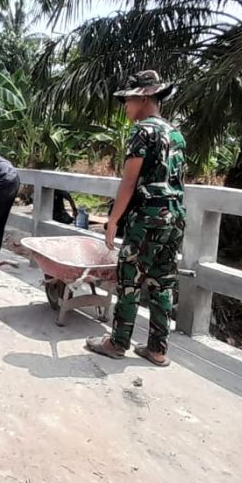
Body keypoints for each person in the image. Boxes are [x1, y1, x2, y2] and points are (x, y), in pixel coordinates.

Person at [85, 71, 186, 367]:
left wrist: (113, 220)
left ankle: (117, 343)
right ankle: (157, 348)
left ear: (143, 98)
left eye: (127, 101)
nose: (125, 107)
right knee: (163, 282)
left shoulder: (143, 131)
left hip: (147, 217)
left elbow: (128, 182)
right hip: (175, 217)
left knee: (130, 279)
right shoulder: (176, 133)